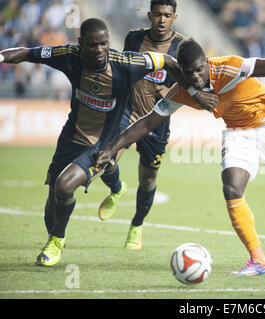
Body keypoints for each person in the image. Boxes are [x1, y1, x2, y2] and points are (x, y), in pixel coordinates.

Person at [95, 38, 265, 276]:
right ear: (181, 72)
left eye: (199, 69)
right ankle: (259, 260)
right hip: (238, 132)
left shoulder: (230, 67)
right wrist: (111, 148)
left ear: (207, 63)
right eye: (189, 72)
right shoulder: (180, 92)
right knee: (231, 187)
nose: (195, 76)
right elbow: (146, 123)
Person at [0, 18, 217, 267]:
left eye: (104, 43)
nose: (100, 49)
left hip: (102, 142)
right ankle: (77, 218)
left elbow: (167, 61)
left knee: (64, 186)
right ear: (81, 44)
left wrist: (195, 92)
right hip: (71, 138)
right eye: (93, 45)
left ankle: (57, 241)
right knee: (51, 206)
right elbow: (28, 53)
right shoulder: (69, 55)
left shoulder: (126, 63)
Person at [97, 0, 186, 251]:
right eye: (157, 14)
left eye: (167, 15)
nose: (161, 20)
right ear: (149, 14)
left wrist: (170, 90)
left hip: (157, 119)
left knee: (147, 181)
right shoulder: (134, 39)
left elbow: (193, 82)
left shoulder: (182, 46)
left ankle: (137, 226)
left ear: (174, 17)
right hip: (128, 111)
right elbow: (126, 70)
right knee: (106, 160)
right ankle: (117, 189)